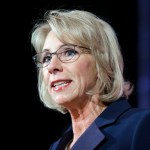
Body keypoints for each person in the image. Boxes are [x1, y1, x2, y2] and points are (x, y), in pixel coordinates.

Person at [31, 9, 150, 150]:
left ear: (102, 62)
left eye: (69, 52)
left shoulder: (141, 126)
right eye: (47, 58)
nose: (52, 66)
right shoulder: (56, 146)